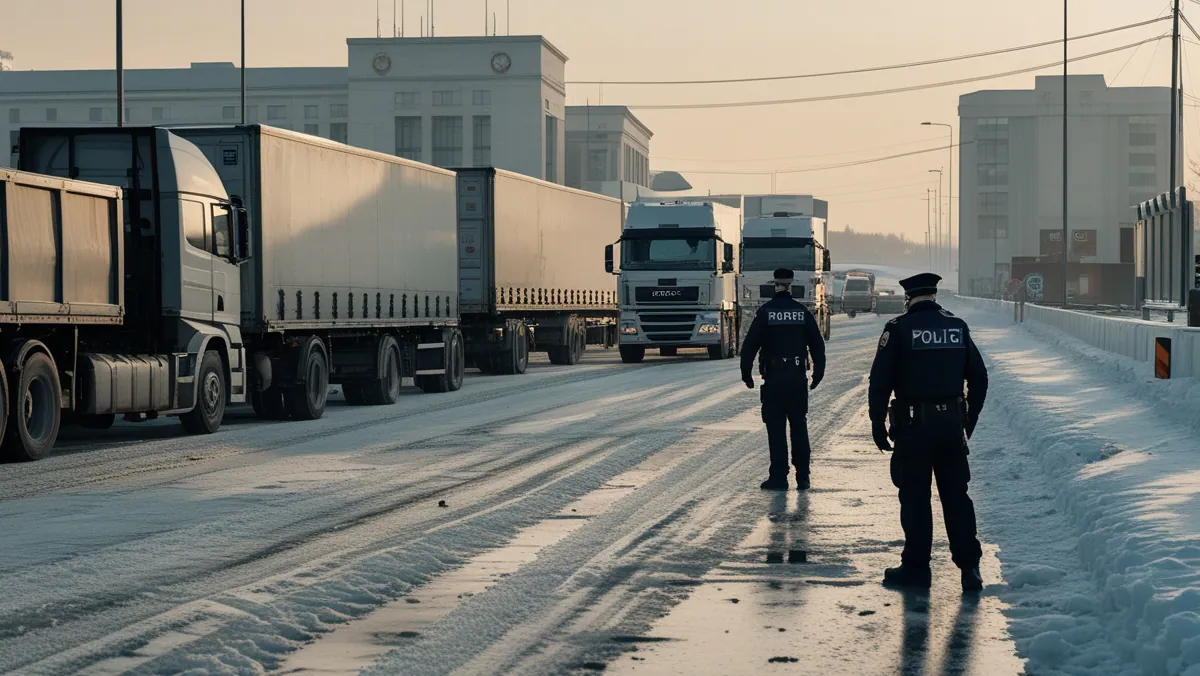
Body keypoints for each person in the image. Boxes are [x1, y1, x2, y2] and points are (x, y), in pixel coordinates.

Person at [868, 272, 989, 592]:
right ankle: (970, 568)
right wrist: (968, 421)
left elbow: (880, 382)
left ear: (908, 298)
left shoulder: (898, 329)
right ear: (934, 295)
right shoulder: (956, 327)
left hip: (913, 428)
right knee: (957, 498)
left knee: (916, 498)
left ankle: (916, 568)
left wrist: (877, 422)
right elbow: (979, 378)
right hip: (951, 428)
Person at [741, 268, 826, 491]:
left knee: (776, 429)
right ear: (791, 286)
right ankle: (803, 477)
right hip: (797, 379)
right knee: (799, 425)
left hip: (774, 379)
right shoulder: (801, 312)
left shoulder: (766, 312)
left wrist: (746, 372)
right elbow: (817, 344)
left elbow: (751, 344)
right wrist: (818, 371)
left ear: (774, 286)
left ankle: (779, 477)